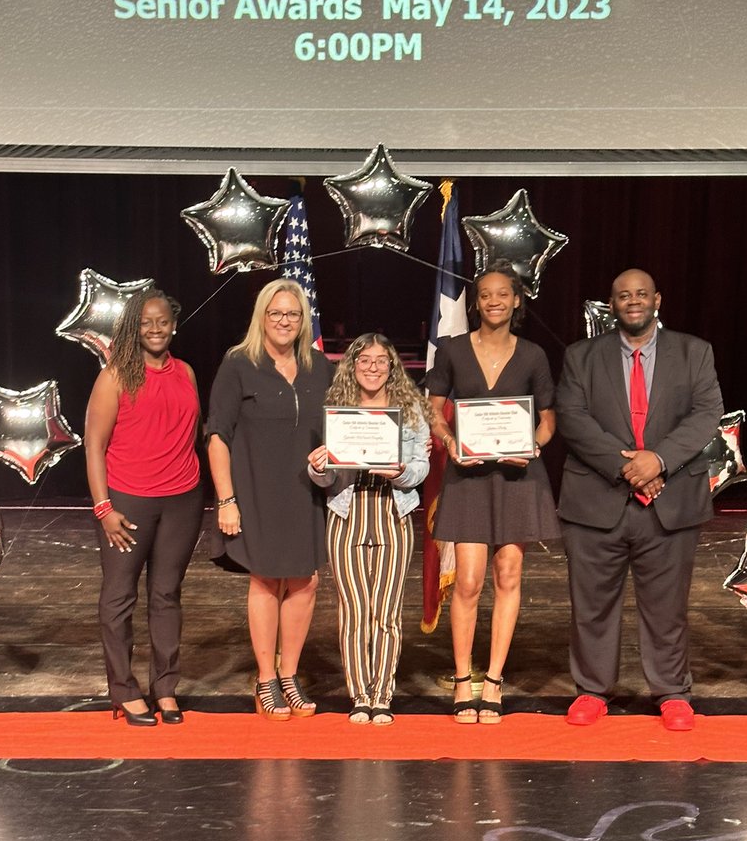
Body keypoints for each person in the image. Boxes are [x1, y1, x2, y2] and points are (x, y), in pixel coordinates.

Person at [555, 267, 723, 731]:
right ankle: (592, 690)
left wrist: (660, 460)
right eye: (624, 295)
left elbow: (708, 412)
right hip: (596, 501)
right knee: (591, 606)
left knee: (667, 607)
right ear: (612, 305)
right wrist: (630, 466)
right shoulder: (580, 356)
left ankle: (671, 692)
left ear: (657, 300)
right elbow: (572, 418)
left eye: (642, 294)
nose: (633, 300)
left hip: (671, 502)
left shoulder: (694, 352)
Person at [426, 261, 560, 724]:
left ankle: (494, 680)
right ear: (476, 301)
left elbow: (547, 420)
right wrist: (448, 441)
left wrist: (534, 447)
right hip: (467, 478)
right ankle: (463, 678)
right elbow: (433, 410)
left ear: (517, 300)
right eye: (485, 294)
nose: (494, 301)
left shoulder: (534, 355)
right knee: (467, 582)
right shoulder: (452, 350)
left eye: (503, 294)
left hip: (517, 478)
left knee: (508, 576)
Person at [207, 279, 334, 720]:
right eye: (276, 313)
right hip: (256, 490)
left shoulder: (320, 366)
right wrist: (227, 499)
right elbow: (217, 436)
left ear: (304, 321)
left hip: (306, 491)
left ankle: (289, 677)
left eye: (293, 314)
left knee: (305, 580)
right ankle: (265, 680)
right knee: (265, 579)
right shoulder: (239, 364)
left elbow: (344, 423)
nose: (285, 321)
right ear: (262, 317)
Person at [84, 289, 203, 725]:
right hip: (128, 501)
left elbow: (189, 433)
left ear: (173, 324)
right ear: (133, 328)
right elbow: (94, 446)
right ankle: (123, 689)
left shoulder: (186, 373)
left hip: (182, 501)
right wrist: (104, 508)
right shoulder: (115, 376)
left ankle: (165, 688)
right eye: (145, 323)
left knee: (166, 596)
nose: (154, 329)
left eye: (162, 321)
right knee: (119, 597)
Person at [308, 334, 430, 725]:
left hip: (393, 513)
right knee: (355, 610)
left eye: (381, 361)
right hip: (348, 514)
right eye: (365, 361)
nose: (373, 368)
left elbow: (419, 470)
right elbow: (324, 479)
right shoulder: (337, 412)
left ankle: (383, 695)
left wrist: (401, 472)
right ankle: (360, 695)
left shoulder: (410, 412)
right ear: (352, 366)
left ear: (392, 367)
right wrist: (318, 466)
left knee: (387, 611)